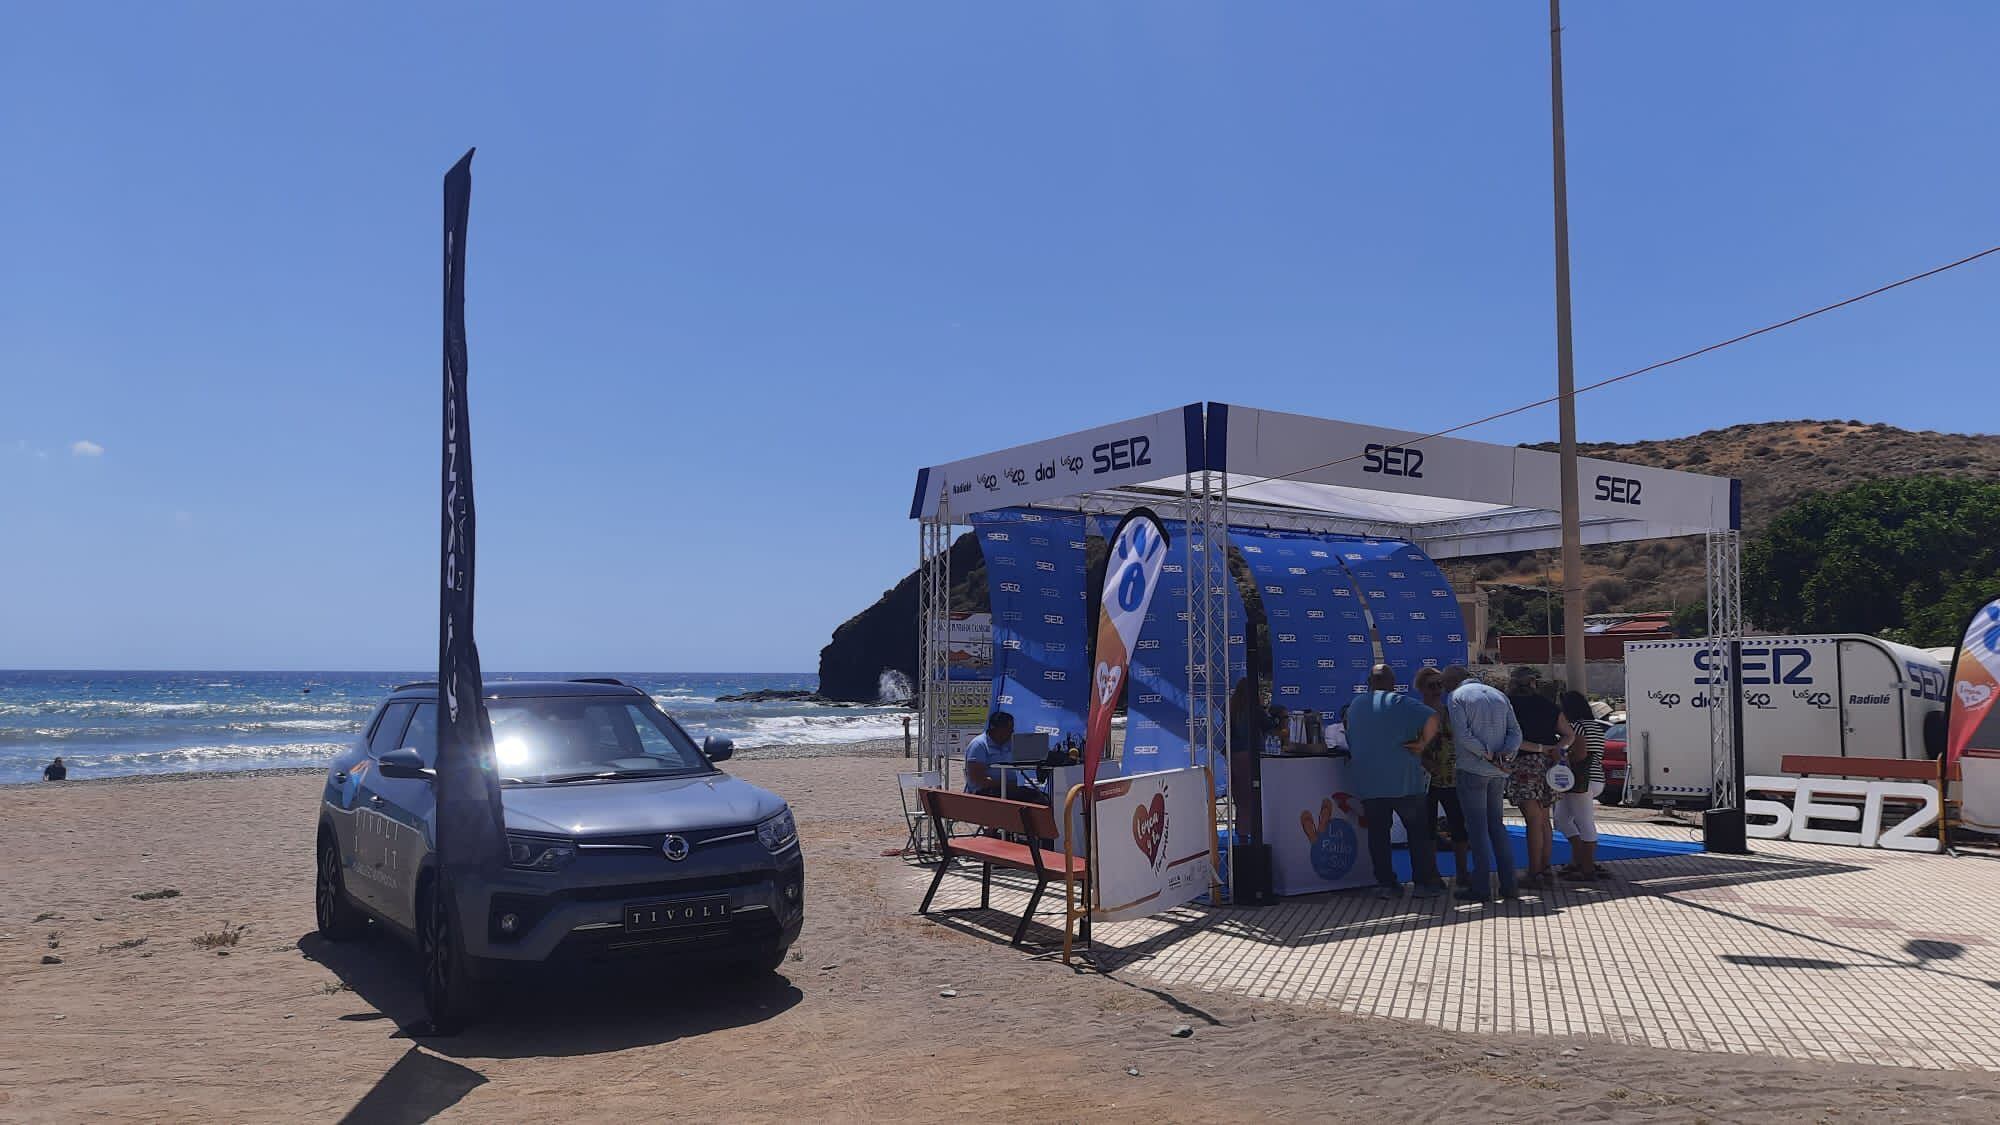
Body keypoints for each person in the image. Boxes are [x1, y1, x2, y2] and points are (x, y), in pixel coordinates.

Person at [1344, 664, 1445, 899]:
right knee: (1417, 834)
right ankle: (1423, 884)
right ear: (1392, 683)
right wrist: (1422, 744)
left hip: (1369, 781)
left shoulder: (1356, 705)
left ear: (1369, 682)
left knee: (1378, 835)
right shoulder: (1401, 702)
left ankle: (1386, 884)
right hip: (1405, 781)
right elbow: (1434, 717)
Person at [1443, 666, 1522, 903]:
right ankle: (1509, 885)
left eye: (1445, 684)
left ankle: (1481, 887)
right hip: (1498, 772)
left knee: (1477, 830)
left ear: (1453, 682)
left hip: (1472, 769)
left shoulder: (1456, 697)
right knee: (1496, 826)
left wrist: (1487, 754)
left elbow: (1463, 735)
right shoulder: (1499, 695)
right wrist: (1505, 755)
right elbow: (1516, 732)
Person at [1505, 667, 1572, 887]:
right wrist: (1556, 749)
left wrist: (1539, 748)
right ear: (1534, 683)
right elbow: (1568, 734)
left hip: (1524, 764)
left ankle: (1534, 872)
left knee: (1532, 820)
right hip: (1549, 765)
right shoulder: (1548, 705)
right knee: (1544, 819)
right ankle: (1545, 869)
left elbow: (1513, 740)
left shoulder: (1509, 706)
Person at [1414, 667, 1470, 888]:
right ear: (1421, 688)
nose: (1437, 689)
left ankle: (1463, 873)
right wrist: (1425, 762)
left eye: (1440, 684)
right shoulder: (1416, 713)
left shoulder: (1451, 711)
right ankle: (1433, 873)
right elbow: (1409, 744)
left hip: (1453, 778)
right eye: (1432, 685)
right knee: (1427, 829)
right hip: (1424, 780)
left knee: (1459, 826)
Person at [1556, 690, 1608, 880]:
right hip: (1595, 777)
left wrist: (1560, 757)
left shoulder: (1576, 727)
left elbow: (1579, 754)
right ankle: (1580, 859)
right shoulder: (1596, 727)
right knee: (1562, 819)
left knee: (1583, 822)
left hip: (1581, 780)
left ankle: (1587, 868)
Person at [961, 711, 1018, 798]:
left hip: (1008, 790)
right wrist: (1005, 785)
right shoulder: (979, 745)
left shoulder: (1011, 743)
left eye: (1012, 728)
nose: (1011, 731)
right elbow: (977, 779)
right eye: (1008, 728)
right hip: (984, 793)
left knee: (1035, 796)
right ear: (995, 728)